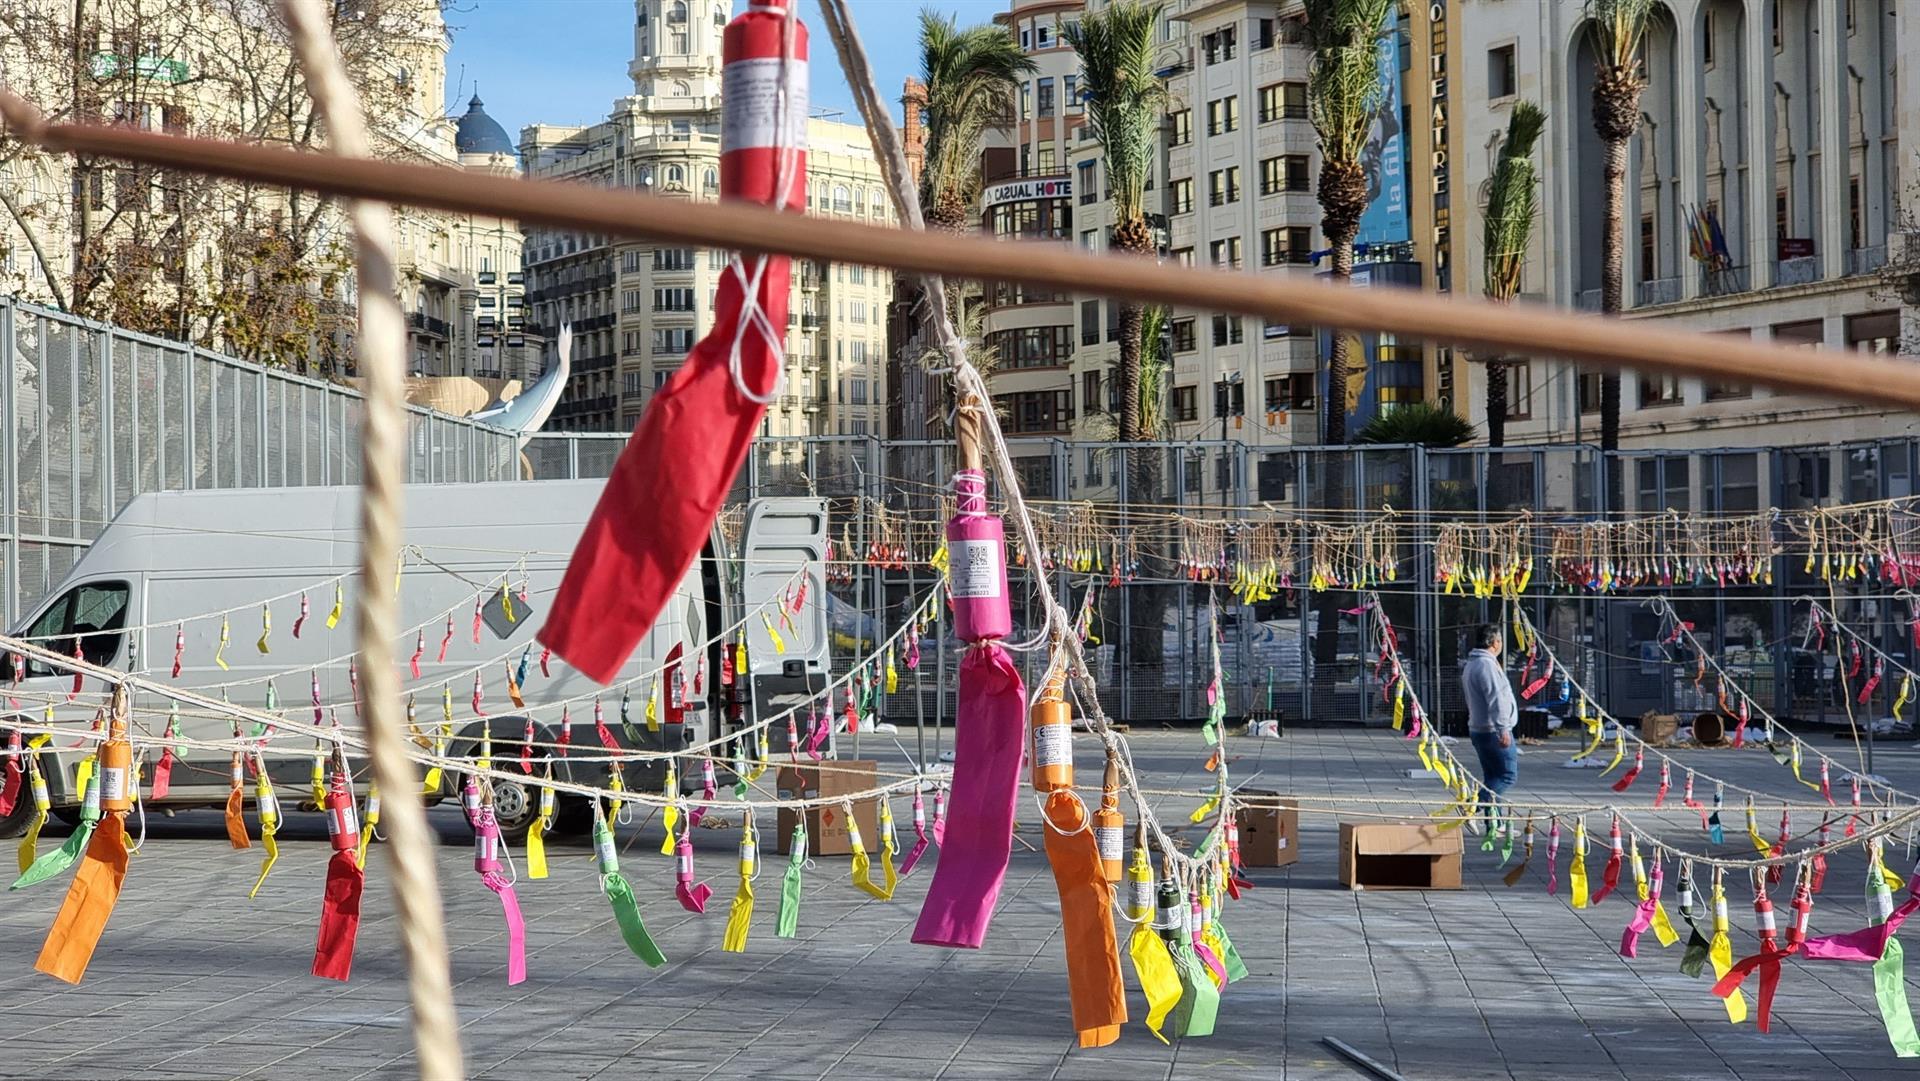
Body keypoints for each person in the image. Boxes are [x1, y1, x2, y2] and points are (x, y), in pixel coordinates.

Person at [1460, 623, 1518, 830]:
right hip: (1492, 730)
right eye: (1500, 640)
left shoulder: (1473, 663)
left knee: (1492, 777)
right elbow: (1497, 699)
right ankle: (1471, 807)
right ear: (1494, 642)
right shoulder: (1486, 665)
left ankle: (1495, 824)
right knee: (1507, 776)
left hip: (1479, 728)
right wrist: (1503, 728)